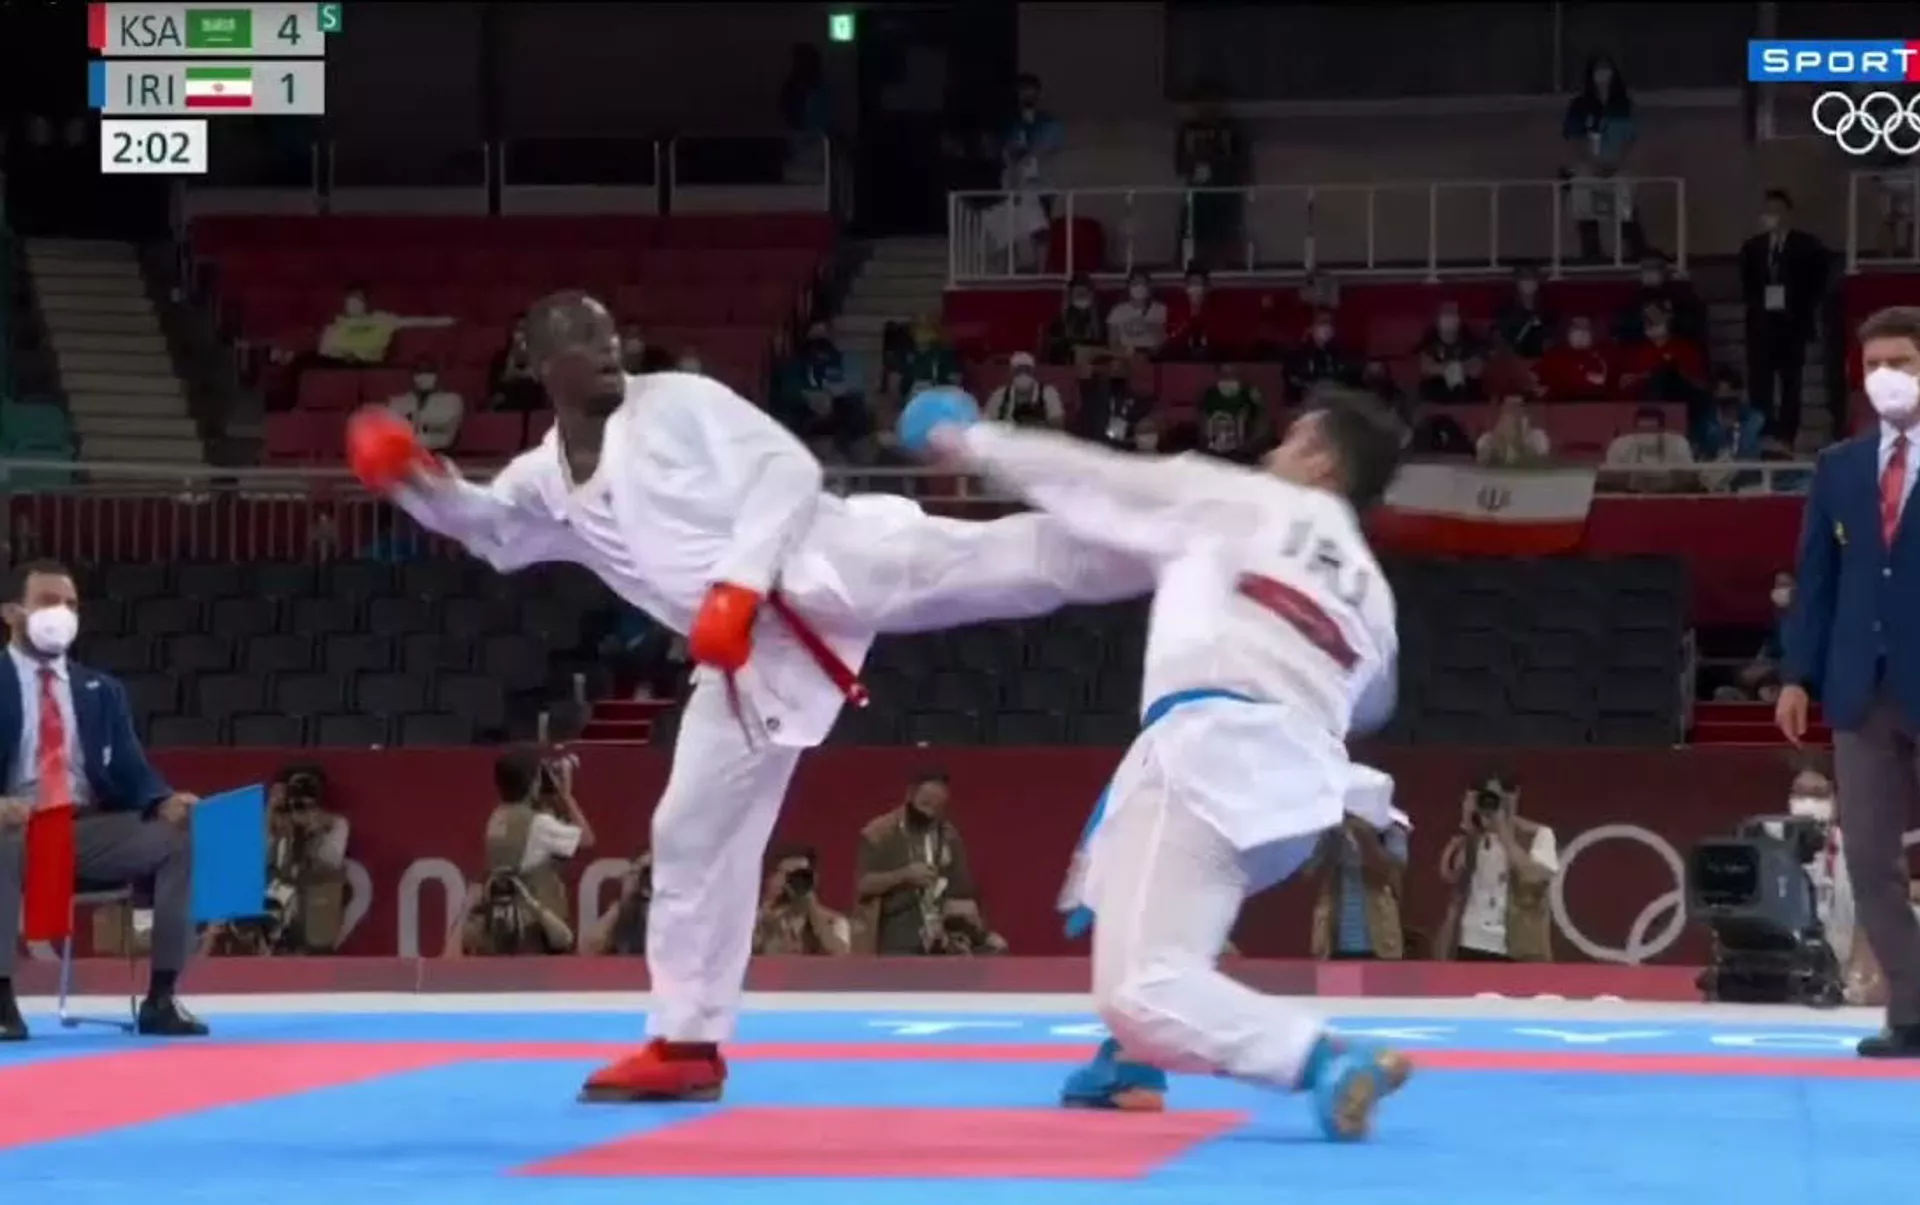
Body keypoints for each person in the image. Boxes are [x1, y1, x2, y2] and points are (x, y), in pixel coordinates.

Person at [347, 291, 1152, 1101]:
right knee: (688, 832)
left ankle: (1170, 539)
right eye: (582, 339)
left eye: (608, 331)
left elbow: (787, 471)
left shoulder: (675, 403)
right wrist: (415, 481)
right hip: (749, 657)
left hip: (825, 560)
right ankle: (686, 1040)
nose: (607, 346)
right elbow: (491, 529)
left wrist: (737, 583)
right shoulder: (546, 480)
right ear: (539, 364)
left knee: (1009, 566)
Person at [905, 387, 1411, 1139]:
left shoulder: (1239, 499)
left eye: (1289, 441)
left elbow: (1097, 480)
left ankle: (1321, 1057)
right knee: (1138, 886)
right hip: (1301, 795)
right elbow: (1374, 703)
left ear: (1320, 458)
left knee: (1140, 990)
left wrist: (970, 440)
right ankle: (1129, 1065)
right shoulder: (1374, 592)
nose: (1272, 453)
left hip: (1212, 758)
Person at [1777, 305, 1920, 1058]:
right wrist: (1796, 675)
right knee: (1868, 858)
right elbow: (1816, 579)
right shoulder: (1839, 466)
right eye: (1873, 365)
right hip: (1860, 685)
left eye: (1902, 361)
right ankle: (1912, 1008)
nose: (1886, 376)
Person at [0, 560, 205, 1039]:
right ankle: (2, 1000)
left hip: (87, 830)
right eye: (48, 602)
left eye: (71, 604)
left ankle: (162, 997)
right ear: (10, 612)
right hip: (18, 827)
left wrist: (166, 801)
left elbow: (133, 773)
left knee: (181, 838)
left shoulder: (102, 690)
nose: (62, 613)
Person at [1739, 189, 1829, 448]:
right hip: (1761, 326)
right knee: (1760, 383)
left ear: (1788, 213)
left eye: (1777, 211)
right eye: (1768, 211)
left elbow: (1818, 282)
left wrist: (1797, 303)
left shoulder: (1807, 246)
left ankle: (1787, 435)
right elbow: (1747, 285)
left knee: (1791, 383)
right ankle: (1764, 432)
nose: (1772, 216)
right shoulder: (1752, 247)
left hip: (1792, 325)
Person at [1435, 775, 1558, 962]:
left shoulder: (1538, 834)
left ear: (1513, 798)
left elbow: (1534, 876)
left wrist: (1504, 830)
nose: (1490, 805)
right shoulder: (1474, 838)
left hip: (1516, 946)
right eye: (1484, 798)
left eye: (1496, 798)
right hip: (1471, 940)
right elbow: (1453, 879)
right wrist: (1468, 819)